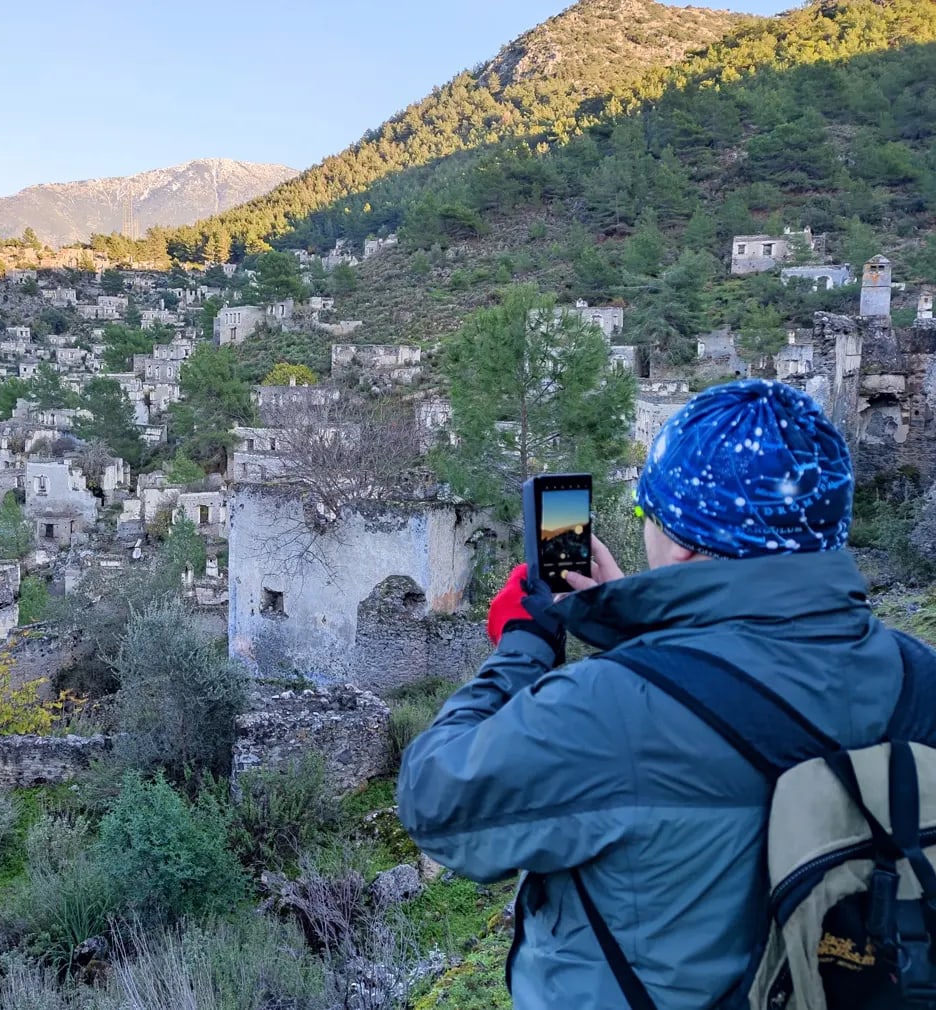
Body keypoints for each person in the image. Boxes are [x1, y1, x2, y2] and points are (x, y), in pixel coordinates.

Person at [396, 378, 930, 1009]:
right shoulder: (918, 674)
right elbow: (733, 694)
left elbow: (434, 799)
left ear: (679, 540)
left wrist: (523, 645)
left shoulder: (605, 710)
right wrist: (649, 632)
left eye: (647, 514)